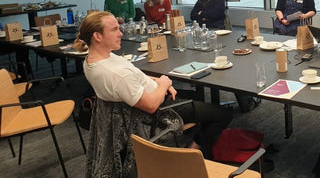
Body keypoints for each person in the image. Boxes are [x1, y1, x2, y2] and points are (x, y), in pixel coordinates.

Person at [76, 11, 231, 155]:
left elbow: (135, 77)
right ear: (97, 36)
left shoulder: (95, 60)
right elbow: (150, 105)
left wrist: (158, 80)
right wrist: (163, 84)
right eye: (115, 29)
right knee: (223, 114)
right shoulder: (116, 75)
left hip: (149, 98)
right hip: (160, 108)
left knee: (197, 98)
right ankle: (193, 150)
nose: (120, 33)